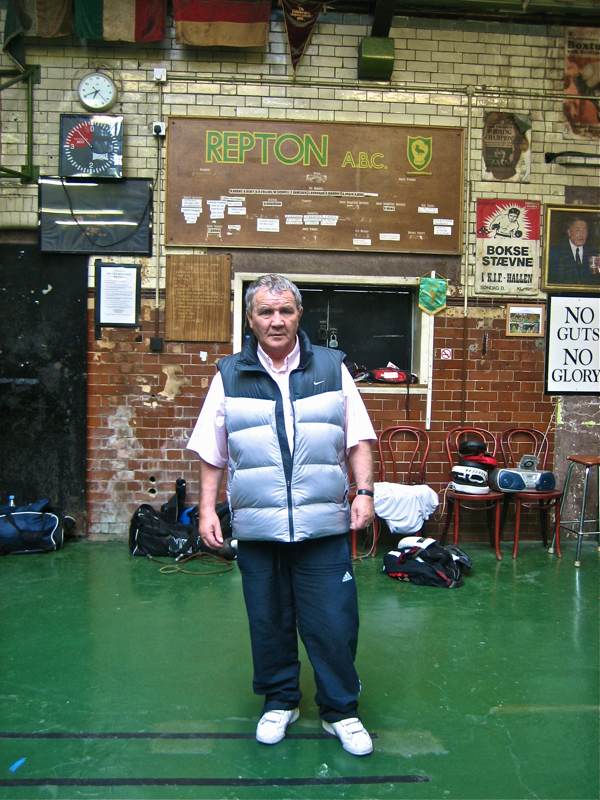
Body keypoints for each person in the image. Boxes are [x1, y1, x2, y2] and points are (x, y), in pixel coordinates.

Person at [187, 273, 376, 756]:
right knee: (268, 621)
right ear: (250, 319)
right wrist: (207, 509)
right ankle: (280, 701)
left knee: (334, 622)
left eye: (286, 311)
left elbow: (358, 438)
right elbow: (212, 451)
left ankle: (340, 710)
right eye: (266, 312)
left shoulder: (332, 367)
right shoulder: (229, 375)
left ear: (299, 315)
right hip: (259, 526)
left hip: (322, 525)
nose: (277, 321)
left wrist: (364, 492)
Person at [547, 216, 600, 286]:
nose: (581, 234)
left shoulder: (594, 253)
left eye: (584, 230)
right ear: (569, 232)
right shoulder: (555, 253)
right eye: (578, 230)